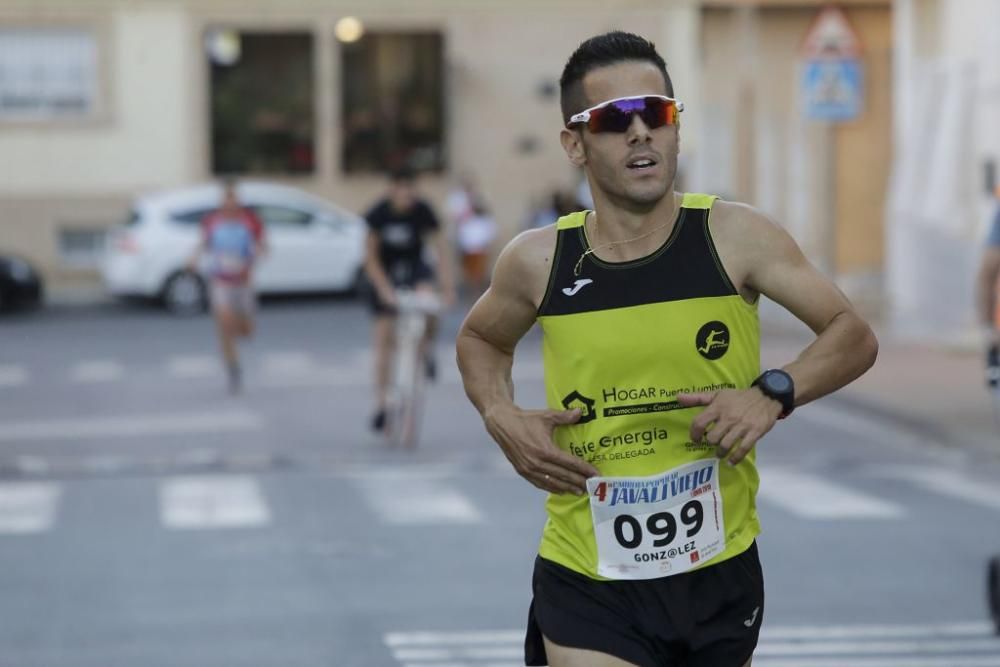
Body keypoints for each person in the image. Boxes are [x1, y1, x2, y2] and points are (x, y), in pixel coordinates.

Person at [455, 31, 878, 667]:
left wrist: (773, 394)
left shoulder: (737, 237)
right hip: (586, 573)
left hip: (718, 571)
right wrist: (499, 412)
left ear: (676, 129)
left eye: (656, 113)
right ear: (576, 143)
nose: (640, 133)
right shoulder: (539, 261)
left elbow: (852, 334)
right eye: (613, 120)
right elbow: (481, 338)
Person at [364, 167, 456, 433]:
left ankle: (427, 347)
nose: (406, 196)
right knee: (383, 338)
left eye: (410, 190)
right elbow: (369, 257)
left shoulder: (423, 211)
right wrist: (383, 289)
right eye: (400, 190)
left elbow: (440, 249)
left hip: (416, 271)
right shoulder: (379, 213)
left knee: (430, 304)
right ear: (392, 190)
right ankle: (382, 403)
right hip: (386, 272)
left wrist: (447, 287)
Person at [188, 180, 266, 394]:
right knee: (224, 326)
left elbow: (262, 247)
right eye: (226, 203)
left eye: (234, 203)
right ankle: (233, 368)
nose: (230, 207)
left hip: (243, 281)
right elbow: (204, 243)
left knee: (246, 331)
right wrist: (193, 258)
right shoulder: (212, 222)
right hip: (221, 281)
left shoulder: (250, 222)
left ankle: (240, 330)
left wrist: (256, 256)